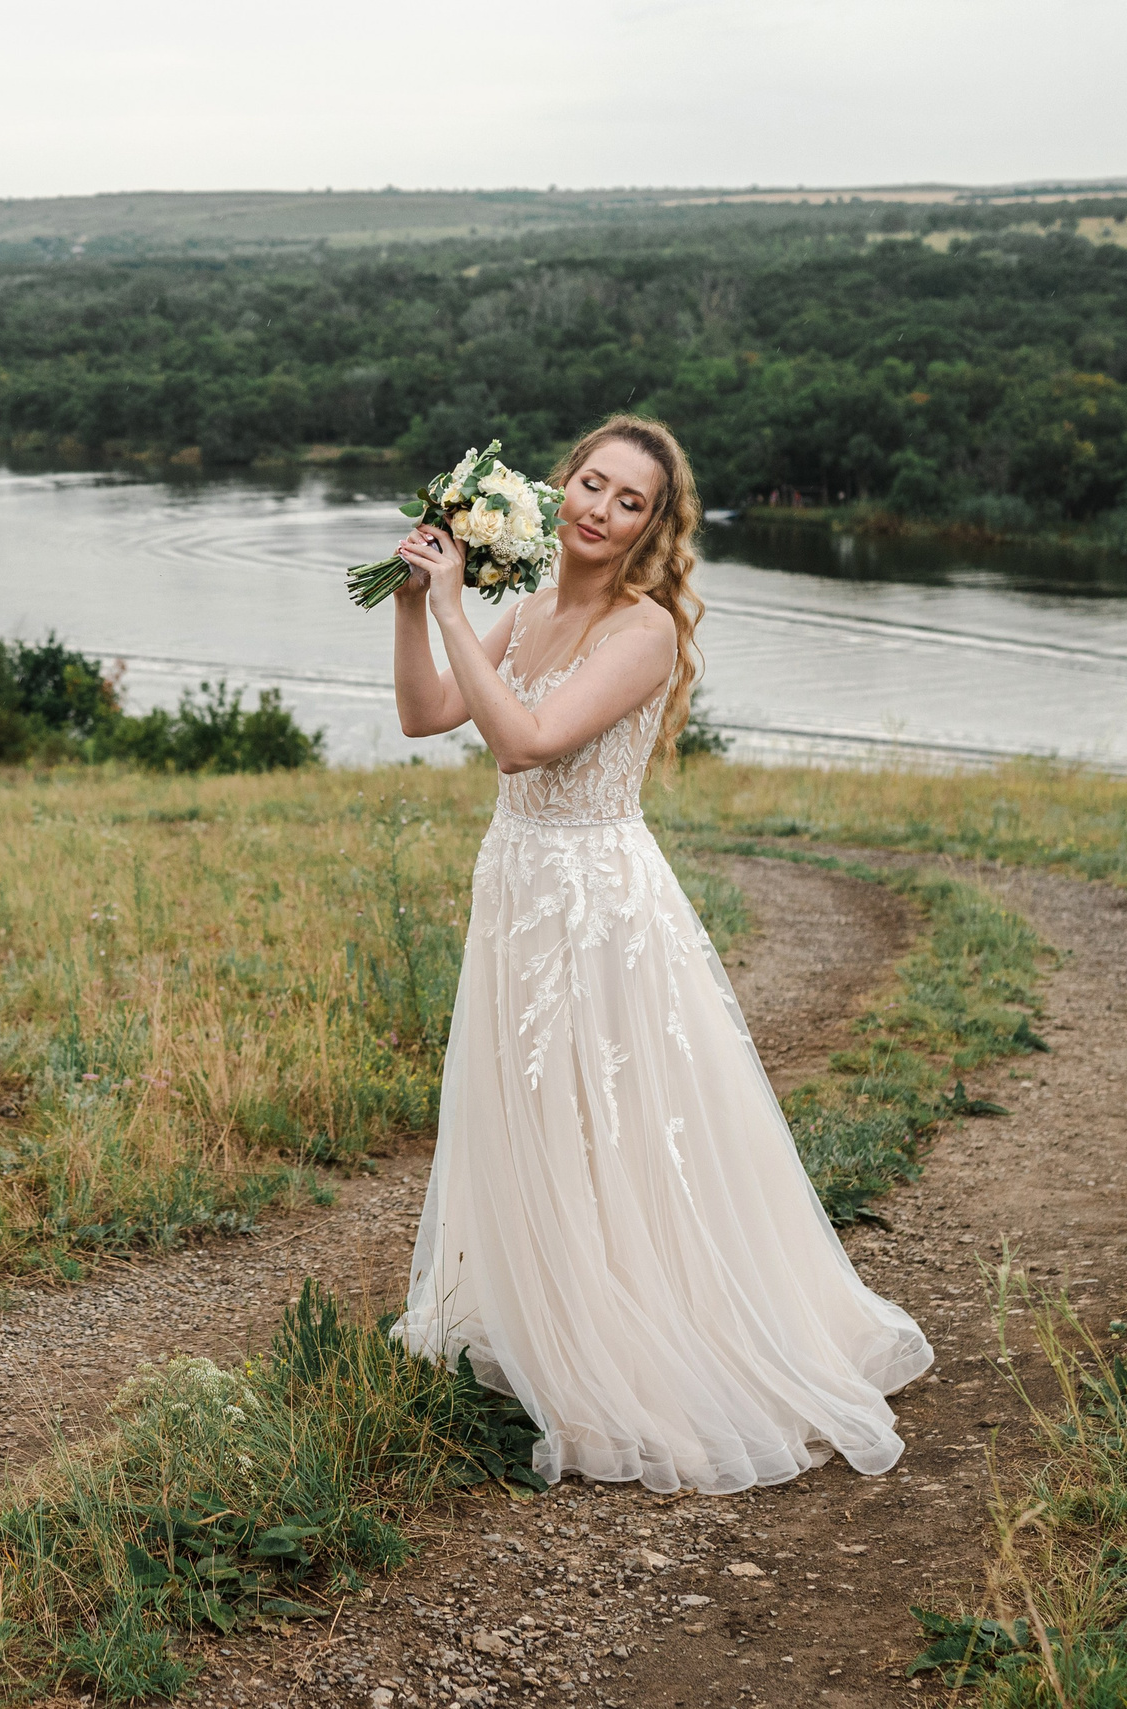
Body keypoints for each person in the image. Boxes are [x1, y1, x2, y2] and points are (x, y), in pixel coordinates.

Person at [386, 414, 931, 1495]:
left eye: (628, 500)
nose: (598, 508)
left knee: (612, 1117)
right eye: (589, 483)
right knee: (526, 1108)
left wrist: (453, 604)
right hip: (517, 891)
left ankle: (634, 1343)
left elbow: (524, 743)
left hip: (596, 901)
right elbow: (424, 713)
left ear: (652, 528)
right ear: (560, 487)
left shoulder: (645, 634)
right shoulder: (533, 607)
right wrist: (413, 607)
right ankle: (547, 1315)